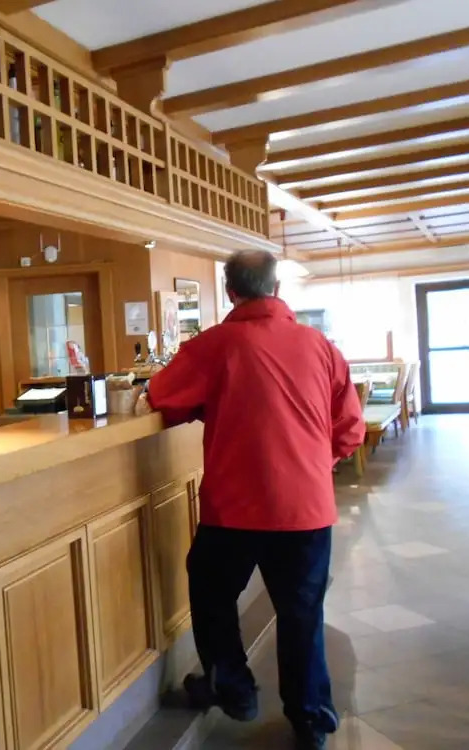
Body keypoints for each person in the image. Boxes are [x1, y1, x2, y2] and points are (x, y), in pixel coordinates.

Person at [142, 252, 364, 750]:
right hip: (306, 509)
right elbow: (351, 427)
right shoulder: (320, 346)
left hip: (234, 508)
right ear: (276, 287)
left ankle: (234, 689)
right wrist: (314, 463)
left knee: (211, 591)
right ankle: (310, 720)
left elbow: (162, 397)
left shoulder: (212, 346)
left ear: (230, 292)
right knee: (302, 614)